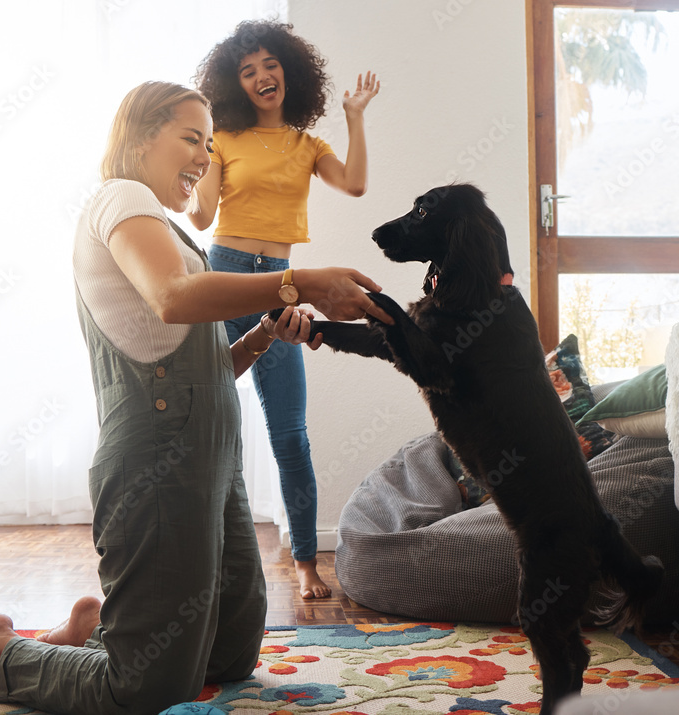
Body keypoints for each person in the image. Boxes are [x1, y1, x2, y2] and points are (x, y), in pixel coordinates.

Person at [0, 81, 390, 715]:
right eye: (190, 138)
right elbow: (172, 298)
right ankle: (2, 650)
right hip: (155, 462)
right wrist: (301, 281)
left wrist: (265, 334)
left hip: (211, 458)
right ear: (136, 138)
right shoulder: (121, 198)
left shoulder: (167, 231)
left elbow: (202, 368)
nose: (204, 158)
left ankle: (98, 633)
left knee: (231, 655)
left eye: (209, 145)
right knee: (147, 688)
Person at [187, 19, 379, 599]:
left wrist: (354, 118)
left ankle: (304, 562)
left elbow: (356, 186)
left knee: (290, 433)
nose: (260, 77)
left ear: (288, 73)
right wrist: (196, 159)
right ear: (235, 84)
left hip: (283, 286)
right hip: (224, 275)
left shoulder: (308, 145)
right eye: (247, 71)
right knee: (211, 421)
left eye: (269, 66)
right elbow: (199, 218)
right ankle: (207, 557)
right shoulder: (223, 138)